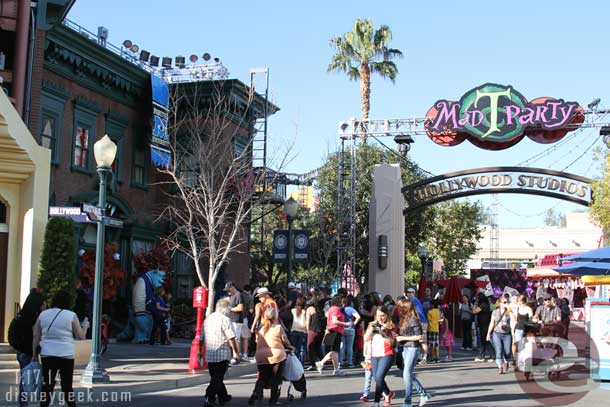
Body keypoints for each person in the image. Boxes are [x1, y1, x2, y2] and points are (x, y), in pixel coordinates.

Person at [32, 290, 88, 407]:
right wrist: (85, 326)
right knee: (67, 386)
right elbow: (80, 336)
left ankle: (44, 405)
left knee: (48, 385)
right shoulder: (71, 315)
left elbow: (36, 335)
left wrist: (34, 354)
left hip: (47, 354)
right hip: (66, 355)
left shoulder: (43, 315)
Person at [8, 289, 46, 407]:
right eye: (43, 303)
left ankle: (23, 403)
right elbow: (35, 337)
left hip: (21, 352)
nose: (45, 305)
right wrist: (34, 353)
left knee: (25, 378)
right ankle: (22, 403)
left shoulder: (21, 317)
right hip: (29, 353)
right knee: (27, 379)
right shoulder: (35, 319)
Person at [249, 306, 293, 405]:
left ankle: (256, 393)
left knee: (262, 377)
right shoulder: (278, 327)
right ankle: (273, 400)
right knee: (276, 378)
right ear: (275, 317)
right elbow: (285, 340)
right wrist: (290, 347)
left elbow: (257, 341)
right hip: (276, 355)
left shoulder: (260, 329)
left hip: (260, 356)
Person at [202, 299, 240, 407]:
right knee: (217, 378)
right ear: (226, 309)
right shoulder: (225, 319)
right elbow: (231, 337)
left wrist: (200, 349)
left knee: (216, 376)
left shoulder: (208, 318)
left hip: (210, 353)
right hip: (221, 353)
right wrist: (236, 352)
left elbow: (201, 335)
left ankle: (223, 396)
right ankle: (209, 397)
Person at [396, 298, 432, 407]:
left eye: (401, 307)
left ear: (405, 309)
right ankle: (423, 394)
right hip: (405, 348)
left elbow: (419, 336)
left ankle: (408, 401)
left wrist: (402, 338)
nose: (399, 309)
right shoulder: (404, 319)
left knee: (406, 374)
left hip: (412, 348)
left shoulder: (413, 319)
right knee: (408, 374)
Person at [364, 306, 396, 407]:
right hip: (374, 354)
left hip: (386, 354)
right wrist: (372, 330)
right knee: (377, 378)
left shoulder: (391, 325)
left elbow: (391, 343)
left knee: (379, 377)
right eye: (378, 315)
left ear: (387, 315)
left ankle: (376, 402)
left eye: (382, 316)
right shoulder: (371, 324)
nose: (380, 318)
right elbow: (366, 338)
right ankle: (388, 393)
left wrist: (382, 332)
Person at [316, 295, 348, 376]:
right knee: (335, 351)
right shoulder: (336, 309)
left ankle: (332, 367)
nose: (342, 303)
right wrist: (345, 323)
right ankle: (332, 367)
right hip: (335, 331)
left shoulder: (331, 309)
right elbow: (334, 321)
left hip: (332, 331)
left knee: (334, 351)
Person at [487, 297, 513, 374]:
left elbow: (514, 319)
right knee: (498, 350)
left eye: (506, 302)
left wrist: (510, 311)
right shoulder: (495, 312)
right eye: (504, 302)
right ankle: (500, 367)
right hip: (496, 333)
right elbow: (492, 323)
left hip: (507, 334)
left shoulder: (509, 311)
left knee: (508, 351)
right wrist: (488, 333)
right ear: (500, 303)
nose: (506, 304)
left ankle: (506, 360)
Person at [406, 288, 429, 364]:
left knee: (423, 340)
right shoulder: (413, 300)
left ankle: (424, 358)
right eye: (407, 292)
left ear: (413, 293)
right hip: (419, 322)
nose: (408, 294)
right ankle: (420, 357)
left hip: (422, 322)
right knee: (419, 340)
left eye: (410, 292)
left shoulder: (413, 300)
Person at [224, 282, 244, 363]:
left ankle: (236, 356)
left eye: (229, 290)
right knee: (231, 337)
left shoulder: (238, 295)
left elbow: (240, 308)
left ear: (232, 287)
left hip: (236, 320)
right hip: (231, 319)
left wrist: (229, 309)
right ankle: (234, 355)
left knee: (236, 338)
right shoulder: (231, 296)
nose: (228, 292)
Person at [512, 294, 533, 369]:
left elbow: (531, 319)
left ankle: (525, 362)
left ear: (522, 301)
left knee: (526, 346)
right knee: (519, 346)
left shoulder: (528, 309)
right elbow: (515, 318)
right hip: (518, 328)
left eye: (519, 301)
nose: (518, 302)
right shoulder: (518, 308)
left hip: (526, 329)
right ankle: (518, 364)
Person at [340, 295, 361, 368]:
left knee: (342, 346)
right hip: (351, 329)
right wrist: (354, 323)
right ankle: (349, 362)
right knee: (350, 346)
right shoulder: (351, 309)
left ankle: (341, 362)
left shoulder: (340, 309)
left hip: (342, 328)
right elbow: (358, 317)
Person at [473, 293, 494, 362]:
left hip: (484, 324)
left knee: (484, 341)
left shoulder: (482, 305)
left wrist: (475, 304)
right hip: (485, 324)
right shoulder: (486, 304)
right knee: (486, 341)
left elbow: (474, 311)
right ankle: (490, 355)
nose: (477, 299)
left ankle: (482, 356)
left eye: (478, 298)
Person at [290, 296, 308, 363]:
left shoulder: (293, 311)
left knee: (294, 348)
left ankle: (294, 362)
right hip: (302, 331)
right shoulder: (304, 311)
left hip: (294, 330)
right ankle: (300, 363)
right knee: (301, 349)